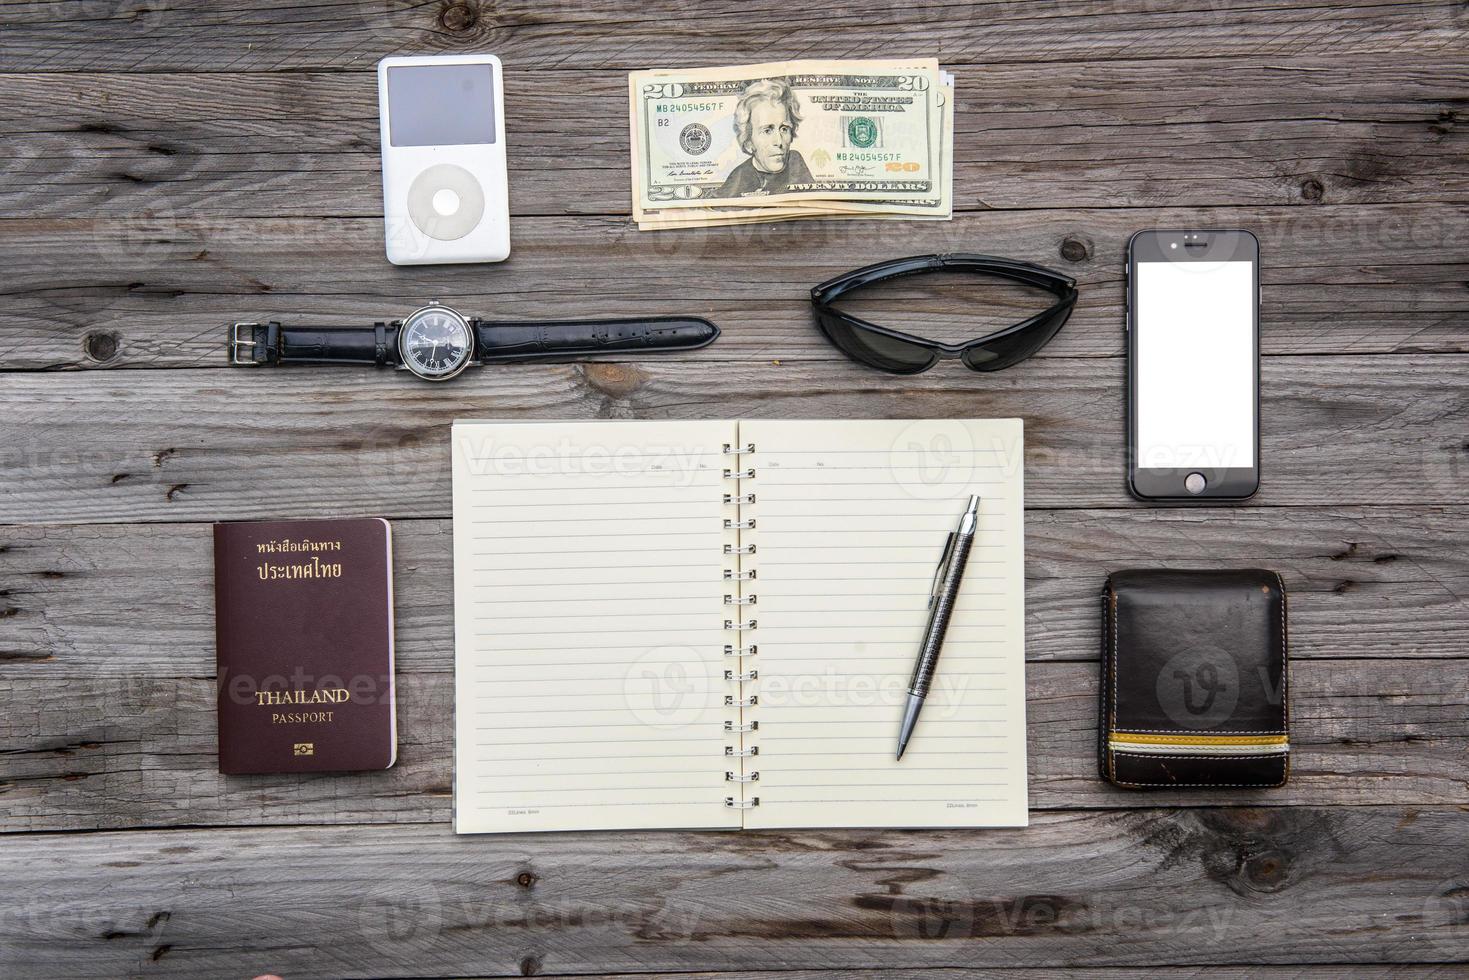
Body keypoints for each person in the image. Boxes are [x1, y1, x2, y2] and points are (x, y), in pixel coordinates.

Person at [714, 78, 814, 197]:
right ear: (748, 142)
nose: (779, 141)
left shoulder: (795, 163)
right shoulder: (736, 183)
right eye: (767, 131)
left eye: (784, 129)